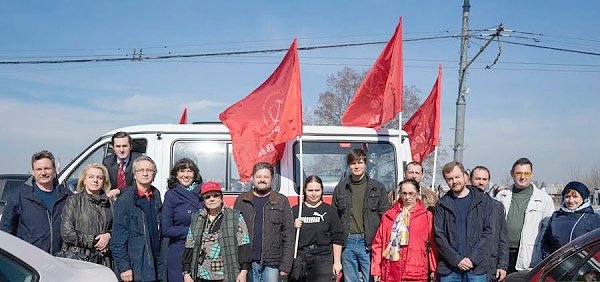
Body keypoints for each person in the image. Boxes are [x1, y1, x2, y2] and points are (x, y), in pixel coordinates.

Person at [332, 148, 390, 282]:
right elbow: (334, 219)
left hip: (369, 242)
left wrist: (382, 243)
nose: (356, 166)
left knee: (371, 278)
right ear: (348, 166)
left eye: (359, 162)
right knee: (350, 280)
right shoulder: (340, 188)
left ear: (365, 164)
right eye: (353, 163)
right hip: (348, 242)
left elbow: (385, 218)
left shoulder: (378, 188)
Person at [0, 150, 71, 255]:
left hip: (60, 260)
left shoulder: (67, 197)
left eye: (47, 168)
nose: (43, 173)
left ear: (54, 170)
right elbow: (6, 230)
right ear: (33, 172)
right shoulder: (19, 196)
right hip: (30, 261)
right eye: (39, 169)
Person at [233, 162, 294, 282]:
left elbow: (289, 234)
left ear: (272, 179)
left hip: (272, 263)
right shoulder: (241, 201)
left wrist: (286, 265)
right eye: (258, 176)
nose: (262, 180)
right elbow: (234, 233)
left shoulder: (282, 201)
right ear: (252, 179)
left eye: (266, 177)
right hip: (247, 263)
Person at [434, 161, 493, 282]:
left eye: (457, 177)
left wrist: (472, 258)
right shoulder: (442, 204)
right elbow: (439, 235)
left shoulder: (483, 200)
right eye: (449, 179)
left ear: (465, 176)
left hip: (476, 268)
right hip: (449, 268)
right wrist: (456, 260)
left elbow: (489, 232)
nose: (454, 181)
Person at [183, 181, 251, 282]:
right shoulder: (197, 217)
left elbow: (244, 243)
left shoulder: (235, 216)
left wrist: (244, 271)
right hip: (201, 275)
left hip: (227, 275)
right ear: (203, 200)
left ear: (221, 198)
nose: (211, 199)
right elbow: (189, 245)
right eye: (207, 197)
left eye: (215, 195)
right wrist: (186, 273)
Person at [495, 157, 555, 273]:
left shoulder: (544, 199)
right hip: (502, 253)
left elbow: (546, 230)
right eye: (519, 173)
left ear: (531, 175)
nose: (522, 177)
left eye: (526, 173)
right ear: (512, 174)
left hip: (528, 255)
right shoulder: (502, 196)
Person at [371, 179, 437, 282]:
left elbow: (432, 244)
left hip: (416, 270)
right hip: (391, 269)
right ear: (400, 194)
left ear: (417, 193)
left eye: (411, 193)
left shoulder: (426, 216)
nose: (407, 197)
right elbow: (378, 243)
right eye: (404, 193)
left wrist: (433, 268)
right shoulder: (389, 216)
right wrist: (376, 270)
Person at [111, 156, 163, 282]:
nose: (145, 173)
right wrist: (124, 267)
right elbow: (118, 238)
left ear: (154, 174)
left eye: (149, 170)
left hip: (155, 263)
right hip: (136, 266)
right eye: (141, 170)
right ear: (134, 175)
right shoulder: (125, 200)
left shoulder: (156, 195)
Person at [291, 175, 344, 282]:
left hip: (323, 258)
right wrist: (292, 226)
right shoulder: (296, 210)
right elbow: (286, 237)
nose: (314, 194)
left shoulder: (330, 211)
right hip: (301, 259)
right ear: (305, 191)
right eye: (310, 190)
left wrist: (337, 262)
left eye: (317, 190)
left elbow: (337, 237)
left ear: (322, 191)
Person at [60, 163, 113, 267]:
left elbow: (119, 229)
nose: (95, 180)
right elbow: (66, 232)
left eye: (99, 177)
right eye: (91, 177)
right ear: (84, 180)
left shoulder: (110, 203)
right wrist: (93, 241)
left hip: (103, 261)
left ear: (104, 181)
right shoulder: (73, 201)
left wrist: (109, 236)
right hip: (78, 260)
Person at [163, 158, 204, 282]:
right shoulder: (171, 195)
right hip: (179, 250)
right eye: (182, 171)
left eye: (189, 171)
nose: (186, 175)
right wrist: (193, 232)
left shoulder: (205, 193)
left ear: (195, 174)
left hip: (203, 250)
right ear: (176, 174)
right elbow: (166, 229)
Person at [470, 166, 509, 281]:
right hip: (467, 263)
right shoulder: (461, 204)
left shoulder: (497, 207)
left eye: (484, 179)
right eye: (477, 179)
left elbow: (502, 238)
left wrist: (502, 265)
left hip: (489, 264)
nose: (481, 182)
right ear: (470, 180)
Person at [541, 181, 600, 258]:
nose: (570, 200)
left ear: (584, 198)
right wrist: (549, 259)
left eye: (575, 197)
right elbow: (546, 242)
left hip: (583, 264)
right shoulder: (556, 216)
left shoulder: (593, 218)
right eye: (567, 196)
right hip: (558, 264)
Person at [103, 131, 142, 198]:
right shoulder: (107, 162)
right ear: (113, 148)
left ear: (131, 147)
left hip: (134, 200)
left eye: (124, 146)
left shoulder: (139, 161)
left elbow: (139, 186)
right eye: (118, 146)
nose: (121, 150)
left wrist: (119, 191)